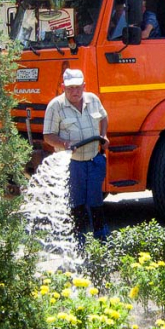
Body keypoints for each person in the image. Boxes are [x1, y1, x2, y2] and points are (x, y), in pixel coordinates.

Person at [43, 68, 110, 244]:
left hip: (94, 159)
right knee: (76, 203)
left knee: (96, 200)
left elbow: (104, 117)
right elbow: (48, 135)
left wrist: (103, 136)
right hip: (72, 164)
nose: (75, 92)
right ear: (63, 87)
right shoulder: (55, 106)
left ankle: (101, 239)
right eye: (70, 88)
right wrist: (65, 144)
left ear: (84, 86)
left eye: (78, 87)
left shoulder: (93, 100)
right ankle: (79, 242)